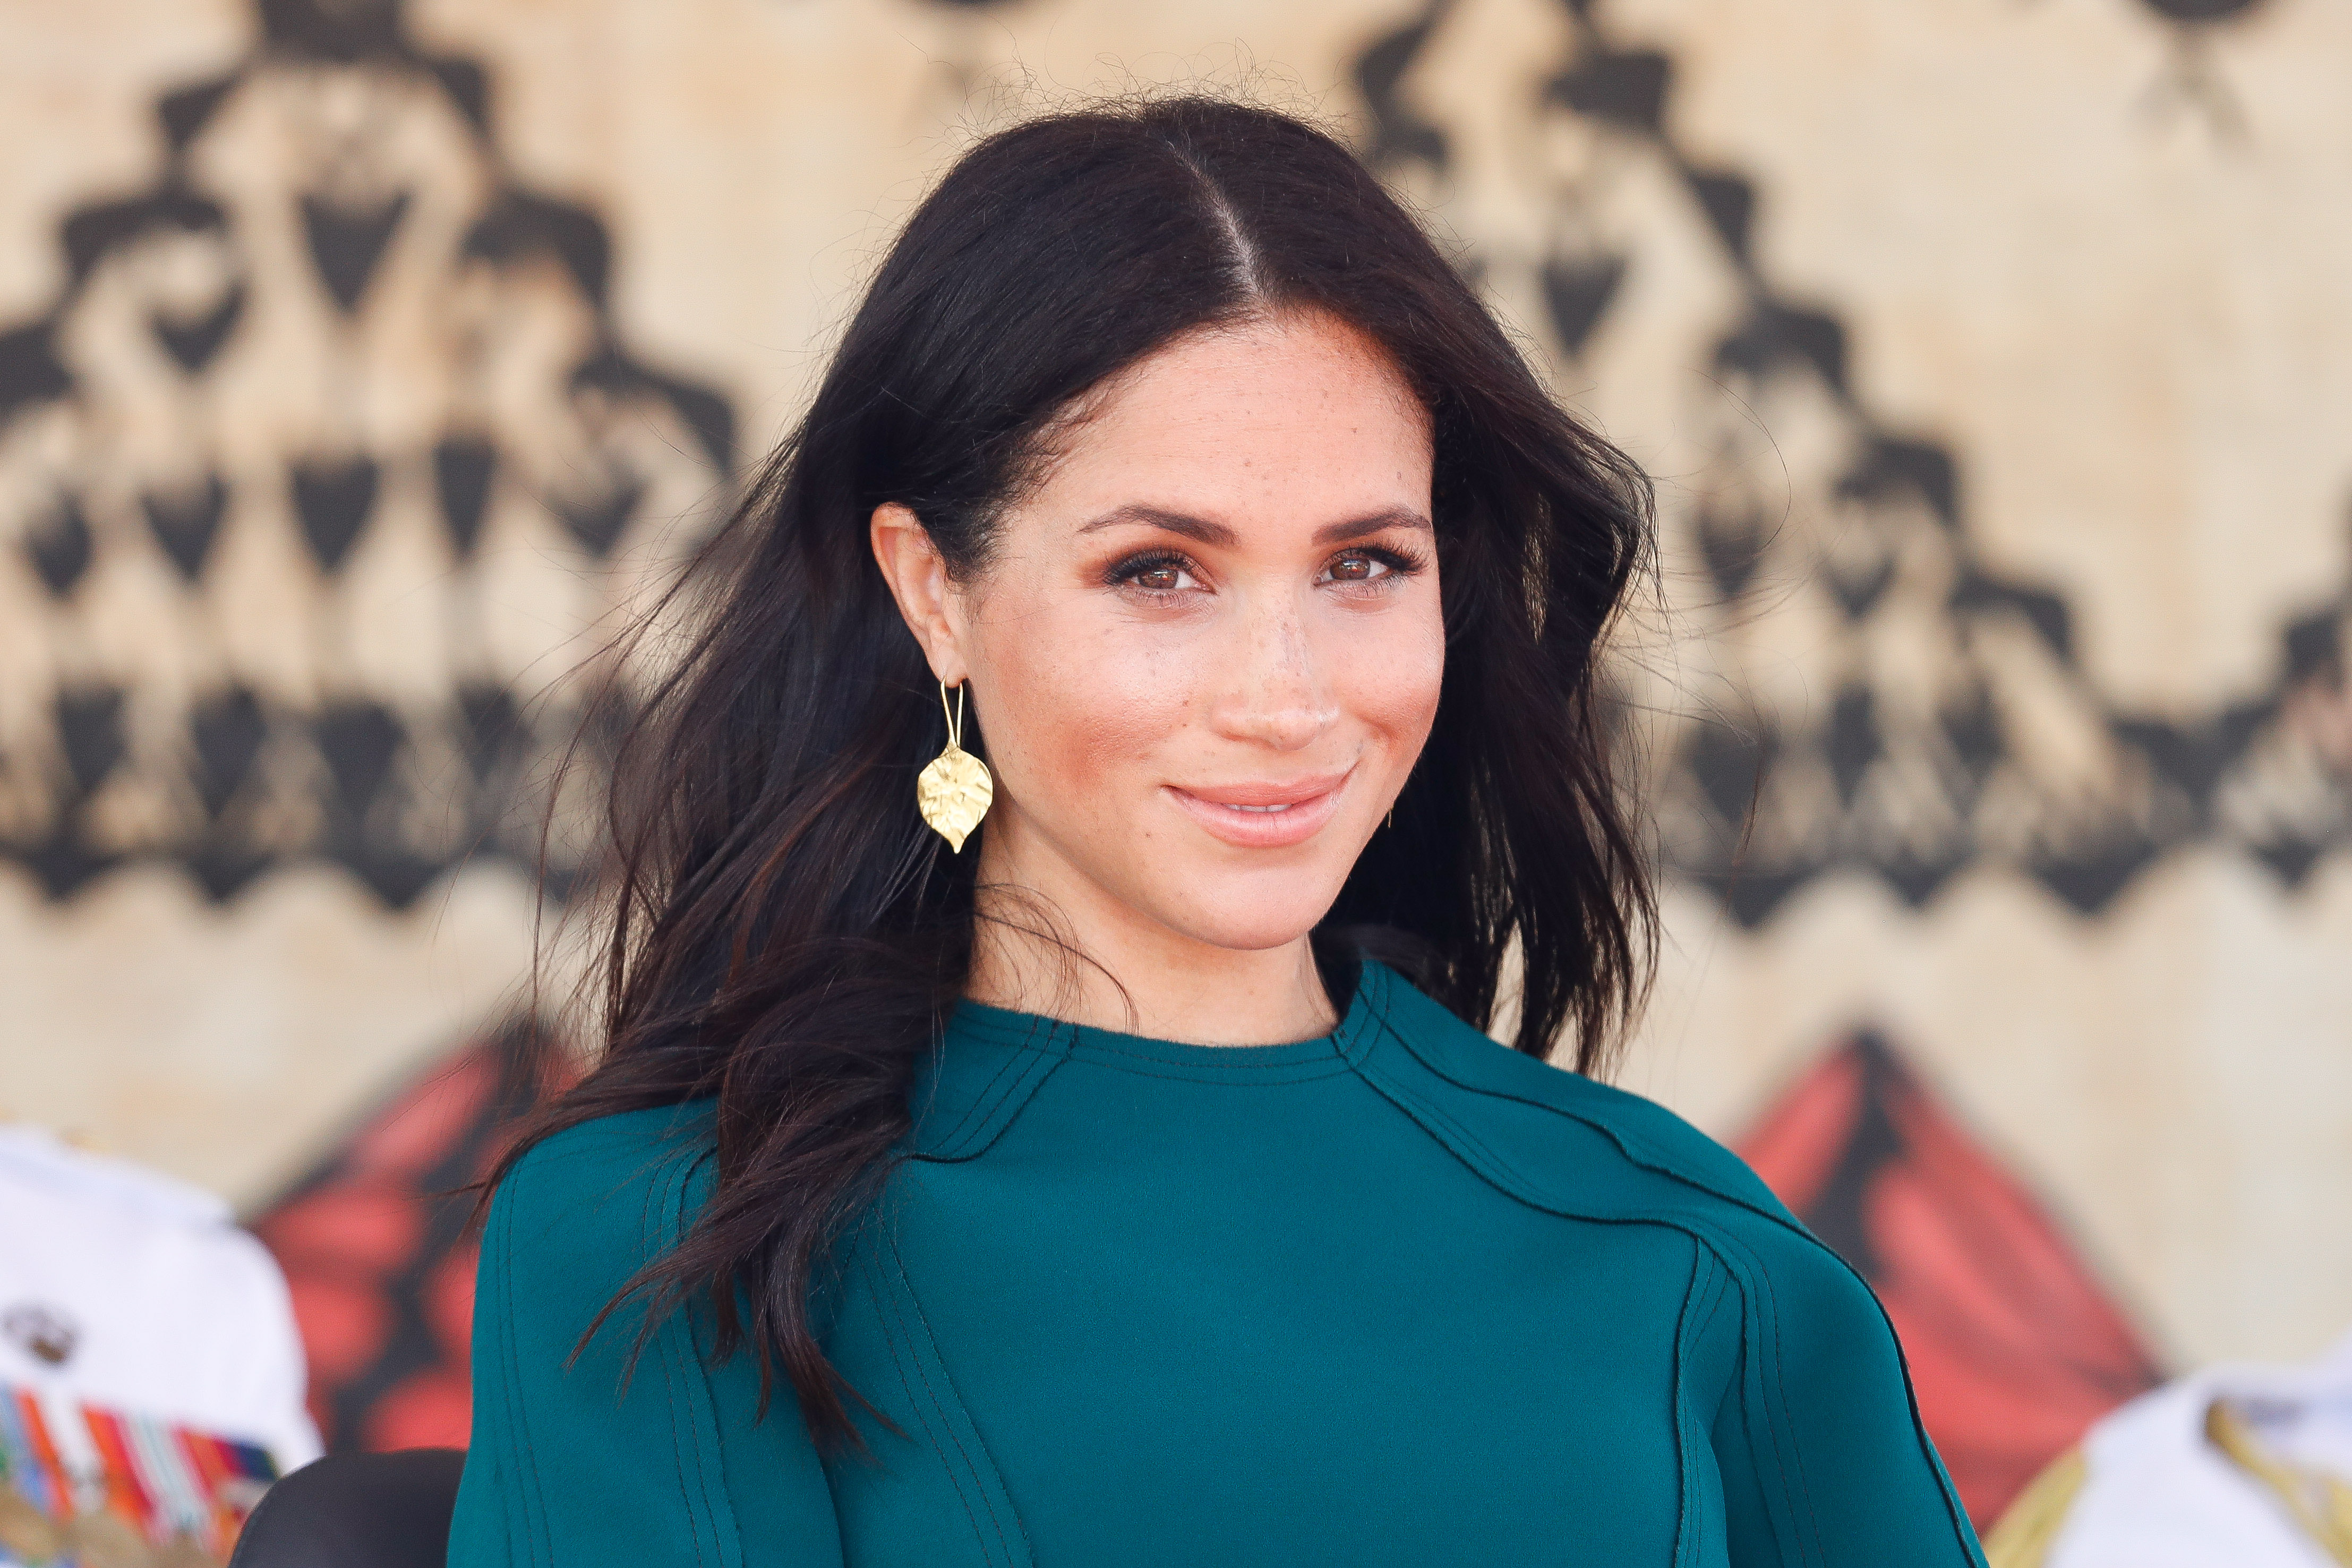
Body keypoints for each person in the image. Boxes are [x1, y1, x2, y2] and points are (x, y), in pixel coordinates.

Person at [448, 97, 1986, 1567]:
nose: (1286, 697)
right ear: (937, 594)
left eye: (1366, 565)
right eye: (1161, 573)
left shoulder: (1690, 1257)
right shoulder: (665, 1241)